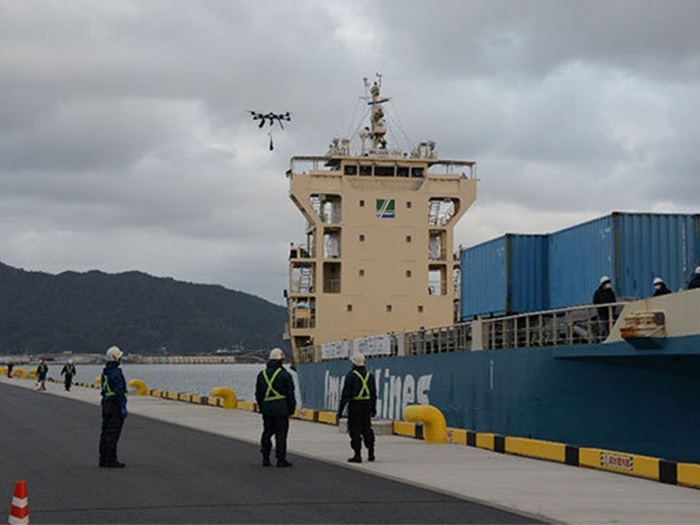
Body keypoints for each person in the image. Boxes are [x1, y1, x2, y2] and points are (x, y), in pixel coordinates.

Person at [255, 348, 296, 467]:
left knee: (267, 432)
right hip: (281, 409)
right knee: (281, 434)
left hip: (267, 408)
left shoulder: (261, 375)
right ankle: (280, 459)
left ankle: (265, 457)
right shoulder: (285, 375)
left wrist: (261, 407)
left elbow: (258, 394)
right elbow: (290, 394)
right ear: (281, 361)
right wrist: (291, 409)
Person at [337, 352, 377, 463]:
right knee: (367, 428)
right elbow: (373, 393)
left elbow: (345, 394)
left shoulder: (351, 376)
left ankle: (357, 455)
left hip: (355, 405)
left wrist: (340, 411)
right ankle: (371, 452)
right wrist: (373, 408)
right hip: (367, 405)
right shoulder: (370, 376)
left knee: (355, 430)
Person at [99, 346, 127, 468]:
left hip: (106, 404)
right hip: (114, 405)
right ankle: (111, 460)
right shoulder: (117, 373)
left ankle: (103, 458)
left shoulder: (105, 372)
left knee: (105, 432)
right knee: (113, 432)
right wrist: (122, 406)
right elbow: (120, 390)